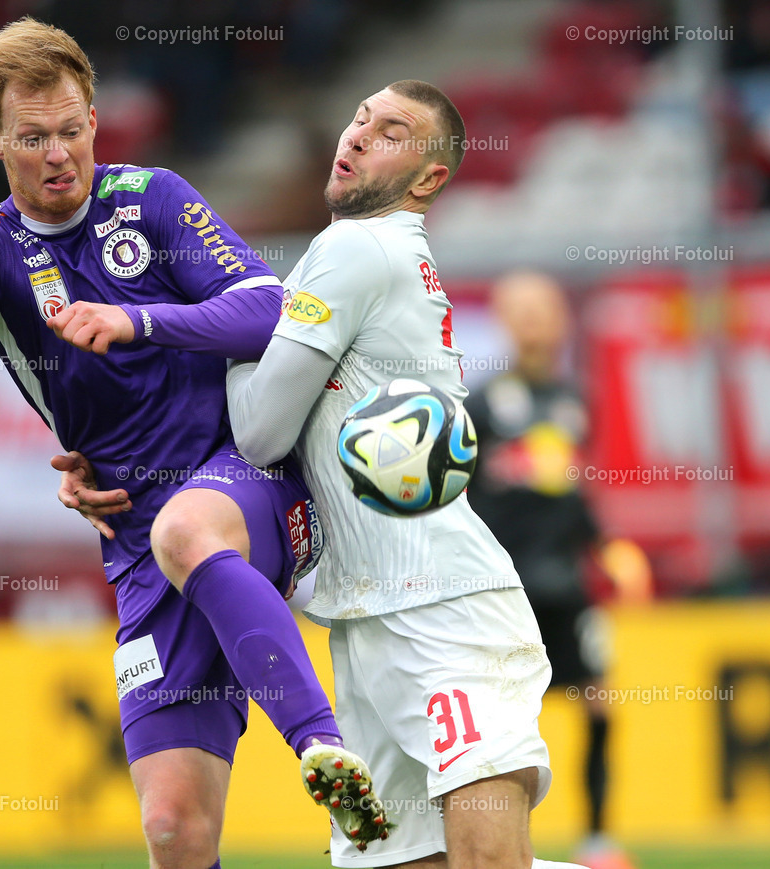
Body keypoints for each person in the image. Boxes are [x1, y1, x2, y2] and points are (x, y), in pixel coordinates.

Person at [0, 17, 386, 869]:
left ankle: (324, 749)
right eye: (33, 138)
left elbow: (271, 312)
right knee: (173, 831)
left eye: (71, 129)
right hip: (136, 540)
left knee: (191, 529)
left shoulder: (155, 200)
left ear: (94, 118)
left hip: (246, 478)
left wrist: (139, 319)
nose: (58, 153)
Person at [226, 81, 586, 869]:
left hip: (444, 607)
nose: (357, 135)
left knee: (487, 861)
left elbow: (256, 432)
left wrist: (214, 332)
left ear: (428, 178)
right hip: (365, 616)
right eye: (358, 117)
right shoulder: (386, 257)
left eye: (390, 131)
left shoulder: (358, 246)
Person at [464, 273, 637, 869]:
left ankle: (596, 837)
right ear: (505, 322)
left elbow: (573, 493)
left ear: (563, 319)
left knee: (598, 703)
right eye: (522, 310)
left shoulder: (572, 403)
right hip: (505, 590)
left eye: (545, 308)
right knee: (504, 720)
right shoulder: (481, 406)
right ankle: (500, 838)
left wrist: (607, 546)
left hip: (568, 584)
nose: (535, 319)